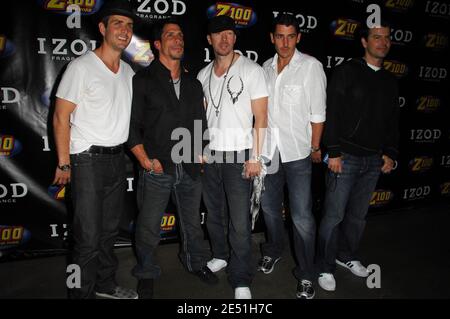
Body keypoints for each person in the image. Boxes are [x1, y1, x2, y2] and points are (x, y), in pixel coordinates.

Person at [52, 0, 138, 299]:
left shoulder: (128, 72)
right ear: (102, 28)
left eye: (128, 26)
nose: (124, 30)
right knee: (87, 239)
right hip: (86, 161)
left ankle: (104, 285)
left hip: (116, 160)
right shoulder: (81, 67)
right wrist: (65, 164)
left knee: (108, 233)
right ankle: (79, 294)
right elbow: (61, 116)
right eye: (117, 23)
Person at [127, 18, 217, 299]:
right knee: (149, 226)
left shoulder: (192, 83)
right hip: (156, 166)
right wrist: (143, 159)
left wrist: (200, 151)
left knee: (192, 223)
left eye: (180, 35)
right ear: (157, 44)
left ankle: (196, 263)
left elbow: (200, 122)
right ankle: (146, 272)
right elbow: (131, 125)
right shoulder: (142, 80)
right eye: (170, 36)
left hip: (189, 164)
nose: (177, 40)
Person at [317, 21, 399, 292]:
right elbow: (333, 113)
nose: (383, 42)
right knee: (333, 215)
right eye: (377, 37)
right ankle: (324, 266)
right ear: (364, 42)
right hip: (345, 158)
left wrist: (390, 152)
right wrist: (334, 152)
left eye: (386, 38)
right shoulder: (346, 72)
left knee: (357, 216)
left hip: (373, 160)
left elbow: (392, 121)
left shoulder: (389, 80)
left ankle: (346, 255)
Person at [197, 15, 268, 299]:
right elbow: (201, 118)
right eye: (218, 34)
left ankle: (241, 277)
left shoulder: (252, 70)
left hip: (241, 155)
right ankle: (221, 255)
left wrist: (256, 158)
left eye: (229, 34)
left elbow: (261, 118)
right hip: (211, 155)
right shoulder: (202, 75)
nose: (224, 39)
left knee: (239, 221)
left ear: (235, 38)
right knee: (214, 214)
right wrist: (200, 151)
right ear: (209, 40)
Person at [259, 13, 327, 299]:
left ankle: (307, 273)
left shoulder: (310, 67)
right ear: (272, 38)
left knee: (301, 218)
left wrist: (314, 147)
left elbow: (318, 114)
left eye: (290, 36)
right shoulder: (265, 67)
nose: (285, 42)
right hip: (269, 153)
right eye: (279, 36)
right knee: (269, 210)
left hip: (298, 154)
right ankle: (274, 250)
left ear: (298, 37)